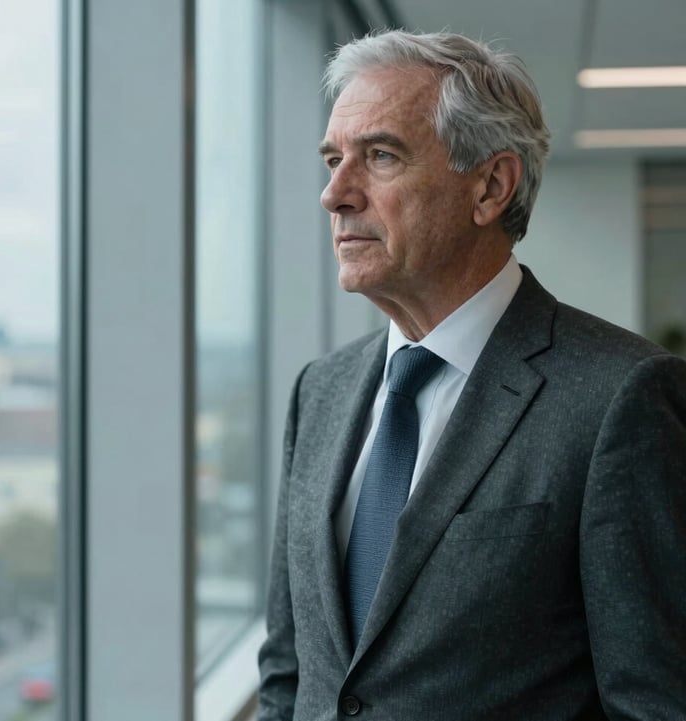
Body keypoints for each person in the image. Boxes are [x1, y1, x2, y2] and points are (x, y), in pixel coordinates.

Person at [258, 29, 686, 721]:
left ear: (490, 186)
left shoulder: (621, 397)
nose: (334, 195)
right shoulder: (321, 391)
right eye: (333, 160)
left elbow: (657, 702)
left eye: (380, 156)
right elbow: (291, 670)